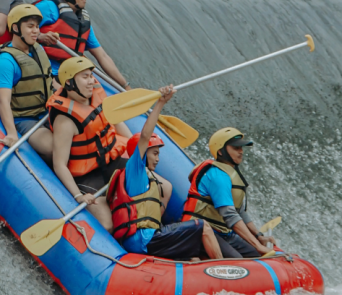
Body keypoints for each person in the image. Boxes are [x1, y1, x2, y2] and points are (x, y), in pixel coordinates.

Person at [107, 86, 224, 261]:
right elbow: (145, 135)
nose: (158, 159)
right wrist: (161, 102)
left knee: (194, 256)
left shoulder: (151, 179)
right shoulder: (135, 169)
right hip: (143, 240)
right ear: (143, 152)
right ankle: (222, 267)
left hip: (147, 238)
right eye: (154, 153)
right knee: (203, 227)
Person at [47, 56, 132, 231]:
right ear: (70, 83)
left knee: (164, 188)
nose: (91, 81)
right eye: (84, 77)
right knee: (106, 224)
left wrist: (135, 148)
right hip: (87, 175)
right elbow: (60, 164)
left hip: (110, 160)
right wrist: (78, 196)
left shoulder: (97, 98)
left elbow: (115, 123)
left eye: (91, 75)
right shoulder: (65, 120)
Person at [181, 127, 276, 258]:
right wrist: (257, 246)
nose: (241, 152)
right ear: (221, 151)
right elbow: (229, 215)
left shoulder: (229, 173)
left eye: (241, 148)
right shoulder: (217, 175)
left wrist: (258, 236)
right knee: (239, 263)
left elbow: (239, 211)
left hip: (222, 232)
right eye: (236, 148)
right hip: (200, 232)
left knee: (257, 257)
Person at [35, 0, 130, 88]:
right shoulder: (49, 7)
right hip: (44, 70)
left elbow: (102, 56)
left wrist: (125, 85)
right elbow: (20, 28)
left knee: (97, 93)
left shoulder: (82, 20)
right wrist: (40, 36)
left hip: (72, 74)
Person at [0, 4, 54, 158]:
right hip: (25, 119)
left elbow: (49, 81)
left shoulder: (38, 49)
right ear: (16, 28)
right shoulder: (6, 60)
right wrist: (11, 133)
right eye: (30, 26)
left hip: (47, 111)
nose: (36, 31)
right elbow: (3, 101)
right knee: (54, 148)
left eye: (37, 26)